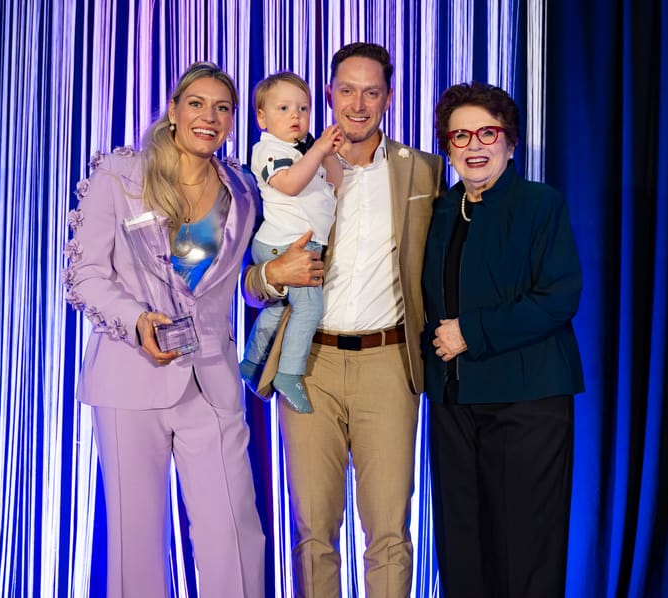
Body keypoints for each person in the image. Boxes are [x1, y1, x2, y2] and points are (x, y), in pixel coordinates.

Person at [244, 43, 445, 597]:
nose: (358, 103)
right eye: (347, 90)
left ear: (388, 97)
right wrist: (270, 277)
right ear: (328, 94)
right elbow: (245, 279)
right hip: (309, 363)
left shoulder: (423, 170)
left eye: (372, 91)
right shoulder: (281, 165)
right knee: (313, 532)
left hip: (388, 364)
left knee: (389, 532)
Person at [63, 62, 265, 598]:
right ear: (174, 110)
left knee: (235, 536)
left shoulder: (241, 191)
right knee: (135, 544)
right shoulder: (119, 177)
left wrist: (270, 277)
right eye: (197, 103)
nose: (210, 116)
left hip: (212, 384)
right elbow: (84, 276)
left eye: (223, 108)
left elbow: (232, 286)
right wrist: (136, 321)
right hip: (131, 380)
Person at [422, 81, 584, 598]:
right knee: (462, 548)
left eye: (486, 133)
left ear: (510, 142)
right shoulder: (440, 210)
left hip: (527, 401)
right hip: (454, 402)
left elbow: (558, 297)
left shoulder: (540, 204)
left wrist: (472, 332)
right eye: (460, 136)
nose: (474, 145)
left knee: (525, 549)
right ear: (447, 148)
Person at [240, 71, 343, 413]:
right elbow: (290, 185)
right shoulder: (269, 149)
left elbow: (336, 180)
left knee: (282, 309)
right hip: (285, 246)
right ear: (262, 118)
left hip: (296, 244)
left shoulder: (303, 150)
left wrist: (327, 152)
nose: (295, 116)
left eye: (303, 108)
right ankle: (288, 374)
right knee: (310, 308)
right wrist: (317, 150)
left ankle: (252, 363)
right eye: (283, 108)